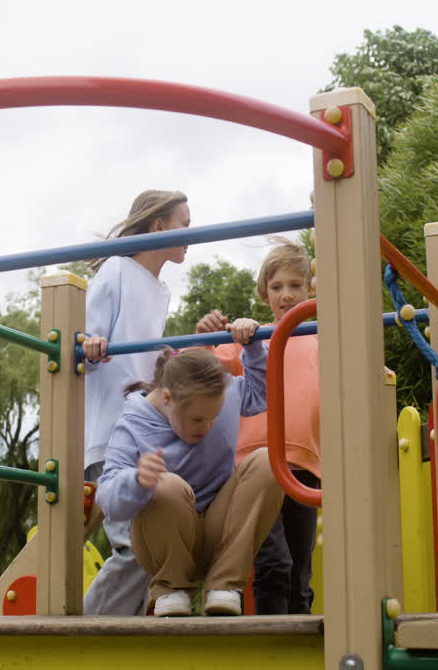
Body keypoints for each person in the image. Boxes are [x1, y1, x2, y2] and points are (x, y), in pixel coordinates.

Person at [95, 337, 286, 617]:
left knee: (269, 460)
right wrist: (136, 480)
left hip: (217, 532)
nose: (207, 426)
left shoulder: (225, 393)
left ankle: (224, 586)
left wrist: (253, 348)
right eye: (197, 420)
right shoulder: (133, 423)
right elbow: (108, 500)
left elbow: (264, 393)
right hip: (165, 541)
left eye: (215, 416)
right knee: (166, 483)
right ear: (168, 398)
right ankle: (172, 589)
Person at [80, 190, 191, 616]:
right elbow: (84, 345)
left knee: (151, 544)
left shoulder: (159, 289)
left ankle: (123, 634)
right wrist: (89, 343)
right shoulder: (116, 271)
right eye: (185, 223)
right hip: (112, 432)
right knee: (132, 548)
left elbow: (142, 360)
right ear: (158, 226)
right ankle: (85, 638)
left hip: (145, 427)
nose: (191, 235)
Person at [198, 238, 321, 614]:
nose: (285, 295)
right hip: (256, 467)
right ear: (264, 292)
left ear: (310, 289)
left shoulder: (323, 336)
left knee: (300, 572)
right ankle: (273, 641)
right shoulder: (252, 337)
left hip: (305, 467)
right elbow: (205, 370)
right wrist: (206, 338)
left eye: (295, 285)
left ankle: (301, 649)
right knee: (274, 564)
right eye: (276, 287)